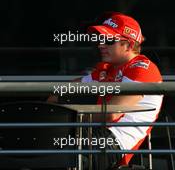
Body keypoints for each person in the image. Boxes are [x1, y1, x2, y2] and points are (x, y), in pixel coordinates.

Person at [48, 12, 163, 169]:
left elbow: (111, 112)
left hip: (112, 142)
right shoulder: (107, 69)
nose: (101, 45)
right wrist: (52, 107)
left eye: (109, 40)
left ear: (129, 45)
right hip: (91, 135)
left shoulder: (143, 68)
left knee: (48, 152)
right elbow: (62, 91)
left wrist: (61, 118)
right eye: (100, 39)